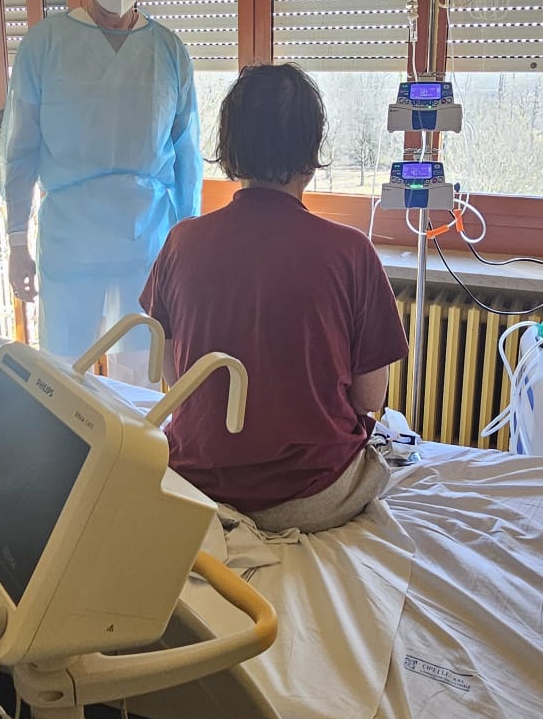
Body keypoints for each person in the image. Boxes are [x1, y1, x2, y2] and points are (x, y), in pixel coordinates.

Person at [140, 63, 408, 531]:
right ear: (311, 151)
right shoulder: (351, 253)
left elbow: (174, 374)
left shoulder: (181, 241)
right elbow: (369, 398)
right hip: (309, 495)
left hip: (197, 486)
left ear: (230, 150)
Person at [0, 0, 202, 370]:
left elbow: (186, 154)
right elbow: (19, 150)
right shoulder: (45, 45)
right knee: (64, 375)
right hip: (71, 244)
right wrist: (16, 242)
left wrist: (188, 245)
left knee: (142, 378)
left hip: (146, 243)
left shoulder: (169, 50)